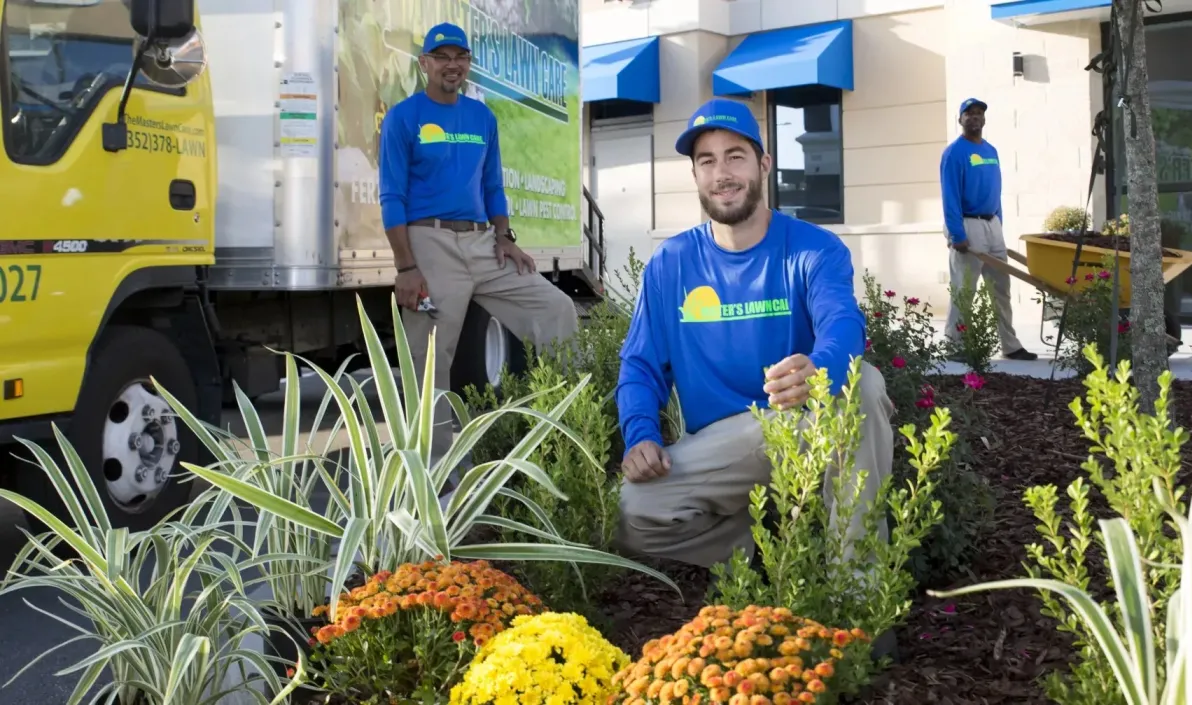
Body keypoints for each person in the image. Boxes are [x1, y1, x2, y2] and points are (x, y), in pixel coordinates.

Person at [613, 98, 894, 573]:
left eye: (735, 156)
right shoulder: (671, 262)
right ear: (697, 175)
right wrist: (640, 434)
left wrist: (820, 368)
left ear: (763, 164)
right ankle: (780, 541)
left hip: (803, 423)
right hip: (724, 446)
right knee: (632, 514)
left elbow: (842, 323)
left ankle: (857, 598)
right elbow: (640, 365)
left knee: (861, 385)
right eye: (707, 161)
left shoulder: (812, 247)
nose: (722, 173)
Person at [378, 22, 579, 464]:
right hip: (428, 244)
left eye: (460, 57)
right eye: (442, 57)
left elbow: (492, 186)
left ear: (468, 64)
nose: (452, 65)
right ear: (425, 64)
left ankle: (572, 430)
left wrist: (505, 237)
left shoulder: (482, 118)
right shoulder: (404, 118)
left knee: (557, 308)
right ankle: (433, 475)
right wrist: (406, 267)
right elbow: (391, 195)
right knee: (429, 363)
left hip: (483, 244)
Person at [940, 98, 1037, 362]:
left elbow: (996, 190)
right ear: (960, 120)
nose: (974, 117)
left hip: (992, 224)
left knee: (1001, 289)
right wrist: (957, 234)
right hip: (968, 225)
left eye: (979, 113)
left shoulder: (991, 151)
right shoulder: (953, 153)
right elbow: (950, 196)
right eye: (969, 113)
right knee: (964, 290)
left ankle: (1010, 344)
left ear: (984, 119)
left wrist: (999, 223)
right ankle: (955, 346)